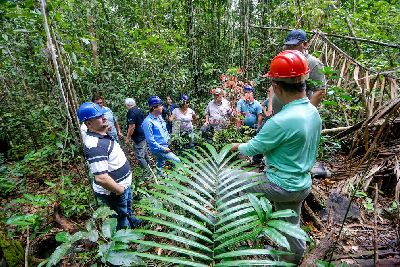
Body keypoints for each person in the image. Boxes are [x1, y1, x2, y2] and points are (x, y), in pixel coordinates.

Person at [231, 50, 322, 264]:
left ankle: (234, 234)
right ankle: (293, 260)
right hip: (301, 185)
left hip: (280, 185)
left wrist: (234, 146)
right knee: (291, 226)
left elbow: (253, 148)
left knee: (228, 180)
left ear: (278, 87)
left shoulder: (280, 121)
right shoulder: (312, 112)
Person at [77, 102, 141, 230]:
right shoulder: (95, 145)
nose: (104, 118)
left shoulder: (100, 135)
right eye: (99, 117)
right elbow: (101, 178)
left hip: (122, 186)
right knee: (121, 216)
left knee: (127, 208)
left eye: (103, 115)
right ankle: (126, 239)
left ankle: (133, 222)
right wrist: (120, 190)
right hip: (115, 191)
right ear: (89, 123)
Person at [267, 29, 326, 115]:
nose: (291, 49)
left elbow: (320, 92)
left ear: (305, 44)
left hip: (296, 116)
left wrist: (306, 114)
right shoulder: (285, 60)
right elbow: (274, 85)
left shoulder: (313, 63)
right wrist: (270, 107)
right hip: (277, 114)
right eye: (288, 46)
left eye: (294, 45)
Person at [142, 96, 180, 176]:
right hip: (158, 149)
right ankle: (177, 177)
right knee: (177, 160)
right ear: (154, 108)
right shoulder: (148, 122)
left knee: (160, 162)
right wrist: (163, 148)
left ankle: (159, 176)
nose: (162, 107)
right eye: (160, 105)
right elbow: (150, 141)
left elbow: (164, 130)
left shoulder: (159, 117)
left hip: (165, 145)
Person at [124, 98, 151, 177]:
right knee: (144, 152)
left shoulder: (131, 112)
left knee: (140, 156)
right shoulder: (139, 109)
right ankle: (149, 167)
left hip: (138, 136)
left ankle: (148, 173)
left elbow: (132, 126)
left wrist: (127, 138)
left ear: (127, 105)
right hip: (143, 133)